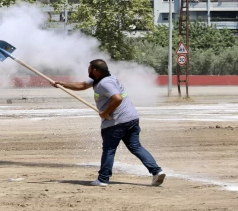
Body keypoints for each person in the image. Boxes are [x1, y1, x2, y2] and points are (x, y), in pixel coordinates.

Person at [53, 59, 166, 187]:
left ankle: (103, 179)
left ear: (95, 70)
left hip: (116, 122)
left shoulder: (105, 83)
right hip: (131, 118)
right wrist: (63, 84)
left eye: (89, 68)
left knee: (109, 150)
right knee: (136, 147)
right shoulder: (103, 78)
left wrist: (106, 112)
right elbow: (82, 85)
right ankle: (157, 171)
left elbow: (117, 98)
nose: (88, 70)